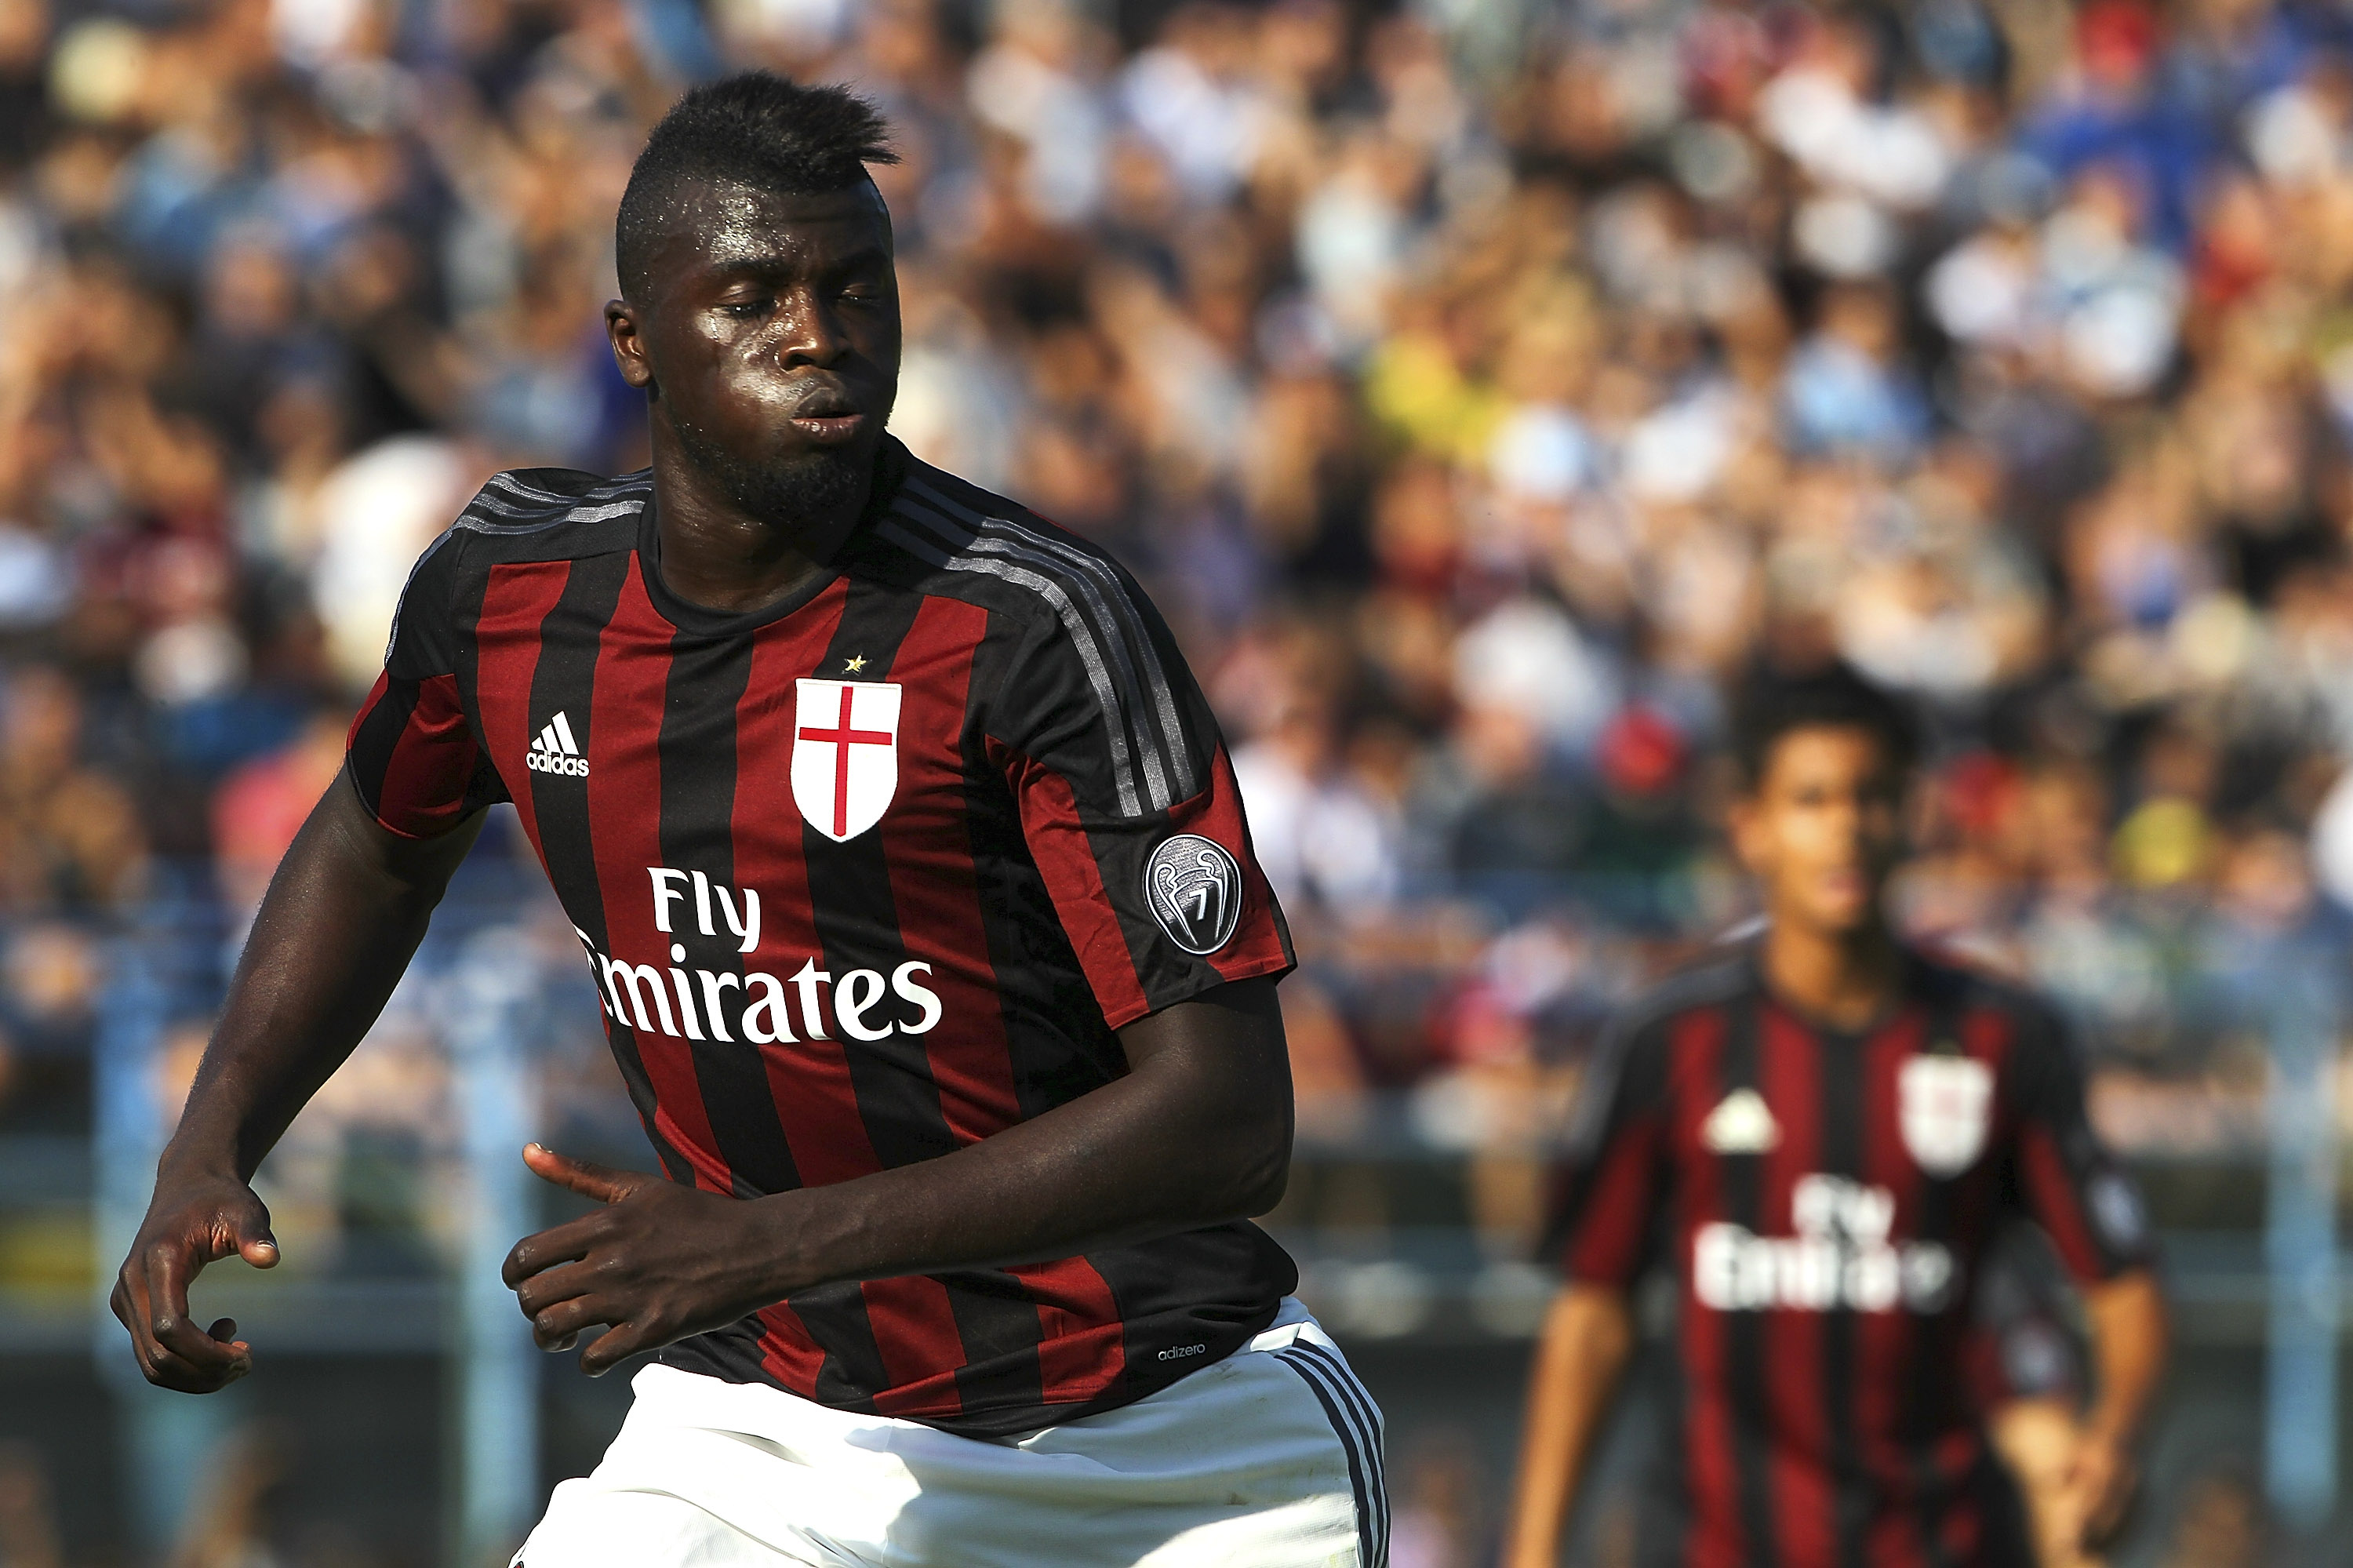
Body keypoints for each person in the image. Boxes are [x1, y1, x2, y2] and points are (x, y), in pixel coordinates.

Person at [112, 74, 1387, 1568]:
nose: (818, 331)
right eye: (754, 296)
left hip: (1166, 1444)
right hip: (772, 1435)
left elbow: (1232, 1118)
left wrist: (764, 1241)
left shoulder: (1036, 621)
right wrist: (211, 1142)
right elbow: (374, 843)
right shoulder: (507, 595)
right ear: (634, 341)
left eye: (856, 288)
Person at [1503, 667, 2167, 1568]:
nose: (1846, 826)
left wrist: (2118, 1436)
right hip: (1715, 1544)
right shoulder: (1671, 1042)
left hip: (1943, 1543)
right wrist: (1535, 1547)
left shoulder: (2003, 1037)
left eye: (1871, 796)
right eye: (1812, 799)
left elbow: (2121, 1280)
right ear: (1752, 826)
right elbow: (1592, 1311)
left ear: (1912, 814)